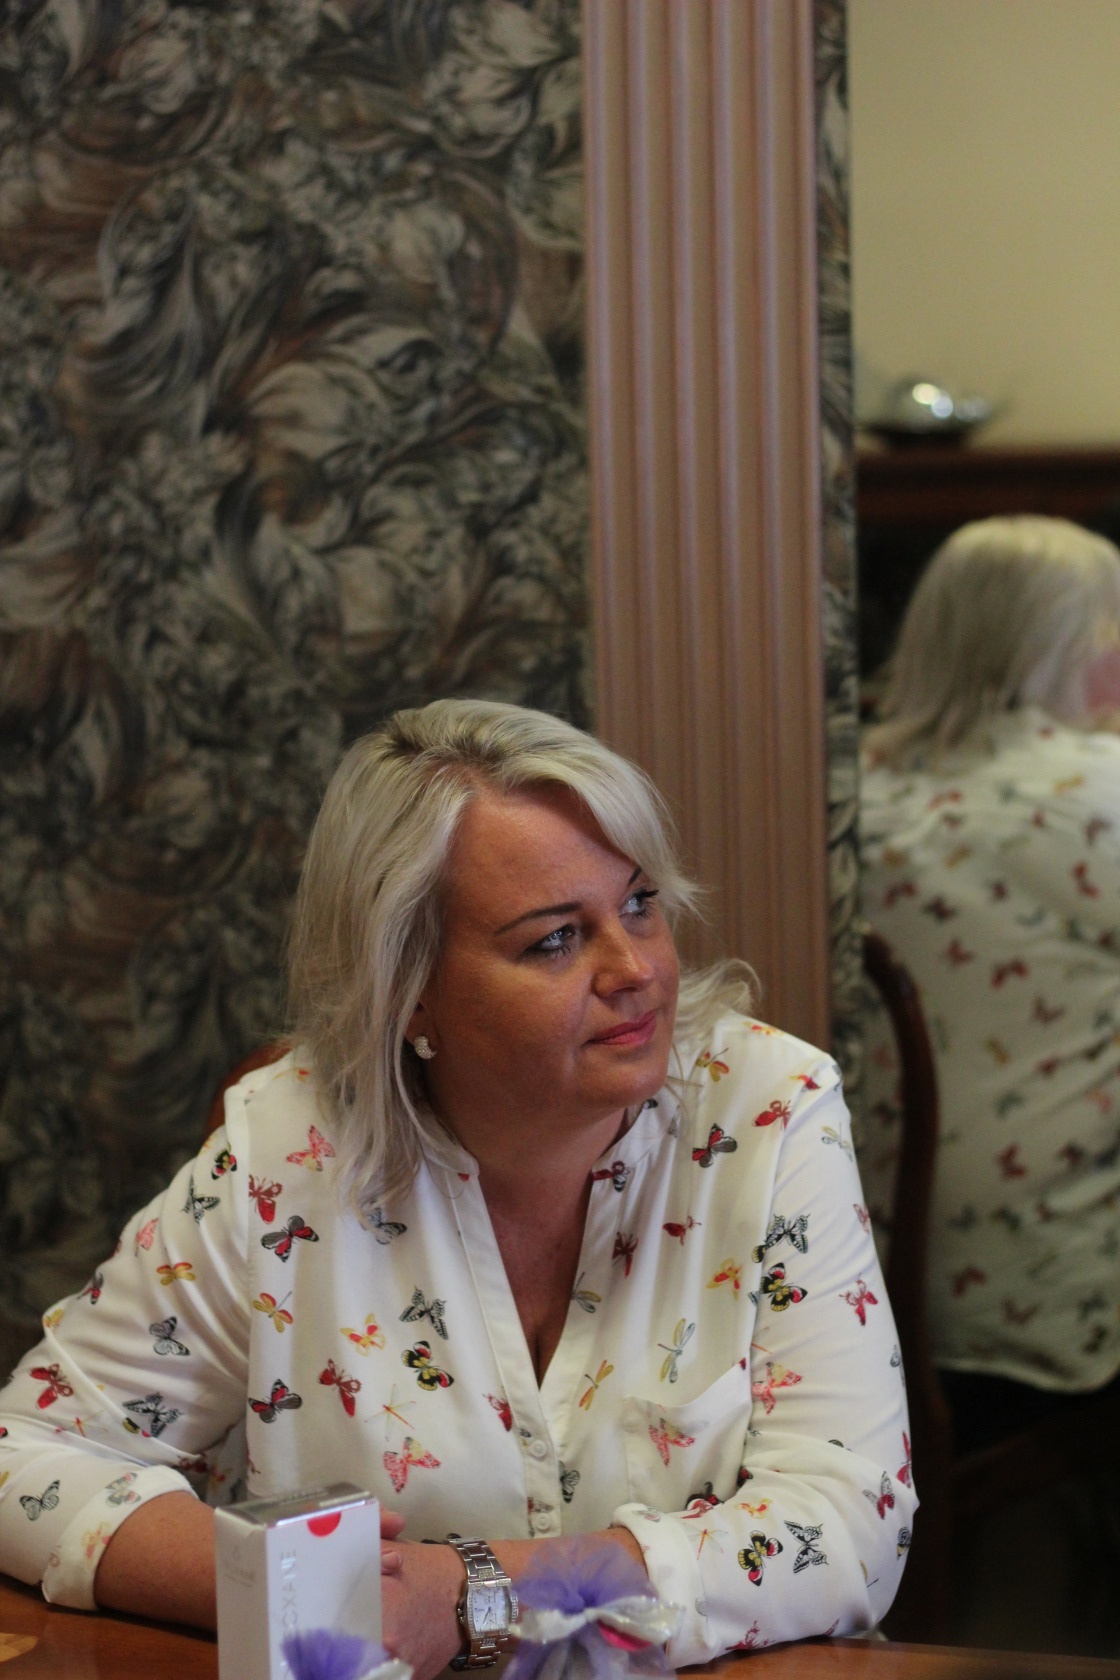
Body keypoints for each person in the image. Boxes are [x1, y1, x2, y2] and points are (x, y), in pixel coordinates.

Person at [0, 700, 911, 1672]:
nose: (636, 968)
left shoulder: (768, 1109)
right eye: (555, 940)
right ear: (410, 988)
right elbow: (26, 1454)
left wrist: (478, 1593)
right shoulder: (289, 1151)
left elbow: (849, 1519)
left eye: (640, 903)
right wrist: (310, 1588)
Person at [861, 515, 1120, 1452]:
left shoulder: (850, 788)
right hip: (1044, 1287)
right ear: (1076, 647)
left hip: (859, 1279)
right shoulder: (1098, 790)